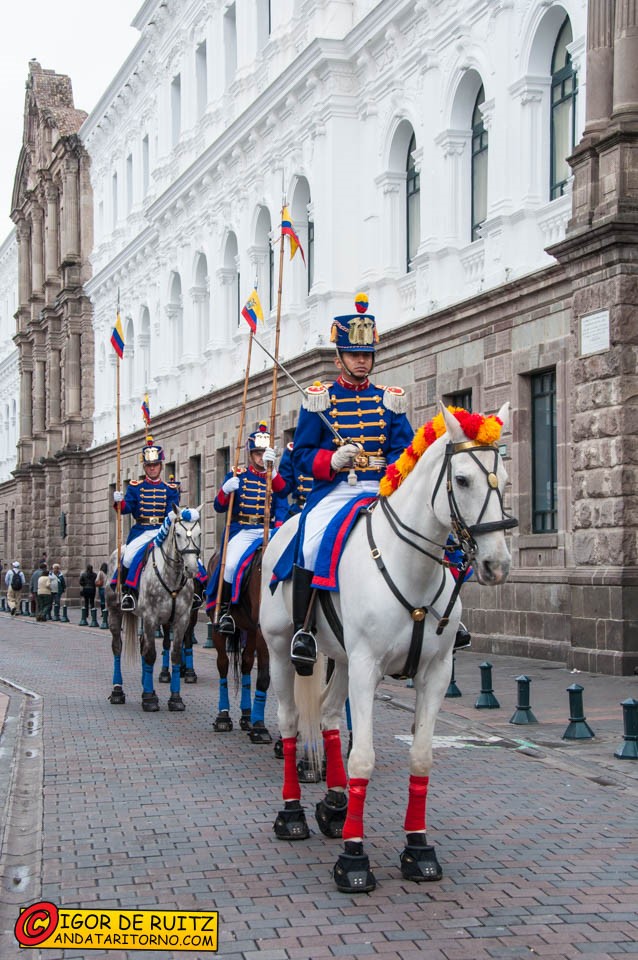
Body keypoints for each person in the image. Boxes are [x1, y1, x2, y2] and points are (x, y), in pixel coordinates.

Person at [289, 293, 413, 673]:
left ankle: (445, 616)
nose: (362, 360)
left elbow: (405, 449)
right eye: (354, 353)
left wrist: (390, 469)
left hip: (381, 488)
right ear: (339, 356)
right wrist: (332, 460)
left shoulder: (388, 401)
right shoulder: (319, 401)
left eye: (367, 354)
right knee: (309, 542)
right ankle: (304, 630)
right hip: (339, 489)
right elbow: (301, 457)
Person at [212, 422, 288, 634]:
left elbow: (283, 497)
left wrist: (278, 528)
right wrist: (225, 490)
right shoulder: (238, 474)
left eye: (264, 453)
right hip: (244, 530)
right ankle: (227, 610)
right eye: (257, 453)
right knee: (229, 566)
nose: (260, 457)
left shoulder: (273, 476)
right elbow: (218, 507)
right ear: (250, 454)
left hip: (268, 531)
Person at [112, 435, 180, 611]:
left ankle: (195, 590)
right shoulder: (136, 487)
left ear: (161, 466)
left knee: (190, 556)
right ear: (145, 467)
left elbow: (171, 511)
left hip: (162, 530)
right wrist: (120, 502)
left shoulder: (170, 489)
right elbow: (127, 508)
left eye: (155, 465)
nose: (152, 469)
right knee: (128, 558)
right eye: (149, 466)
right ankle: (129, 592)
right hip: (142, 530)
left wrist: (172, 517)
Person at [277, 441, 313, 518]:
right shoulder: (293, 450)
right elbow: (283, 491)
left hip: (328, 508)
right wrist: (272, 472)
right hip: (300, 510)